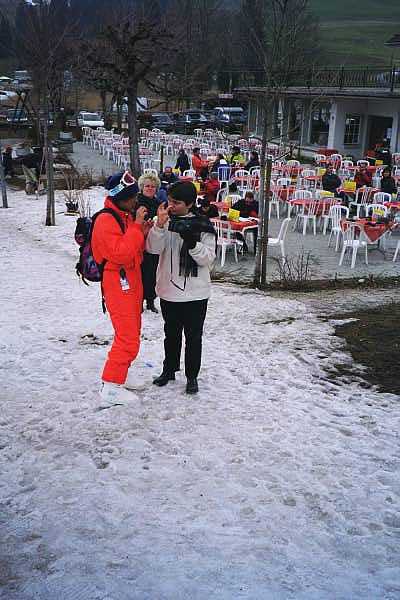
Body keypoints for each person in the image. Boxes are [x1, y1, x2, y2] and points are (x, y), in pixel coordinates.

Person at [146, 181, 216, 395]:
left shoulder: (203, 225)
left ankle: (192, 376)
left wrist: (192, 242)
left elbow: (208, 259)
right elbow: (153, 248)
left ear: (190, 203)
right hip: (169, 290)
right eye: (169, 201)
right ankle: (169, 370)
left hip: (196, 293)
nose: (171, 206)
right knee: (171, 335)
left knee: (193, 338)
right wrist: (159, 226)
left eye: (176, 203)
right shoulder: (164, 220)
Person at [91, 171, 149, 406]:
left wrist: (143, 229)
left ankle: (120, 373)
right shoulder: (106, 220)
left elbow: (134, 249)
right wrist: (137, 226)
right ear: (120, 197)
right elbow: (121, 253)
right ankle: (111, 385)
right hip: (117, 282)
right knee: (127, 336)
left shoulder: (123, 216)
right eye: (132, 197)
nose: (136, 201)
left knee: (132, 331)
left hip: (130, 280)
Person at [137, 173, 162, 312]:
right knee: (140, 274)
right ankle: (139, 301)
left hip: (154, 242)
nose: (150, 188)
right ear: (142, 187)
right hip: (139, 243)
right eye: (147, 186)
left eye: (153, 186)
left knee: (153, 273)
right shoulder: (136, 202)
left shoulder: (159, 204)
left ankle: (151, 301)